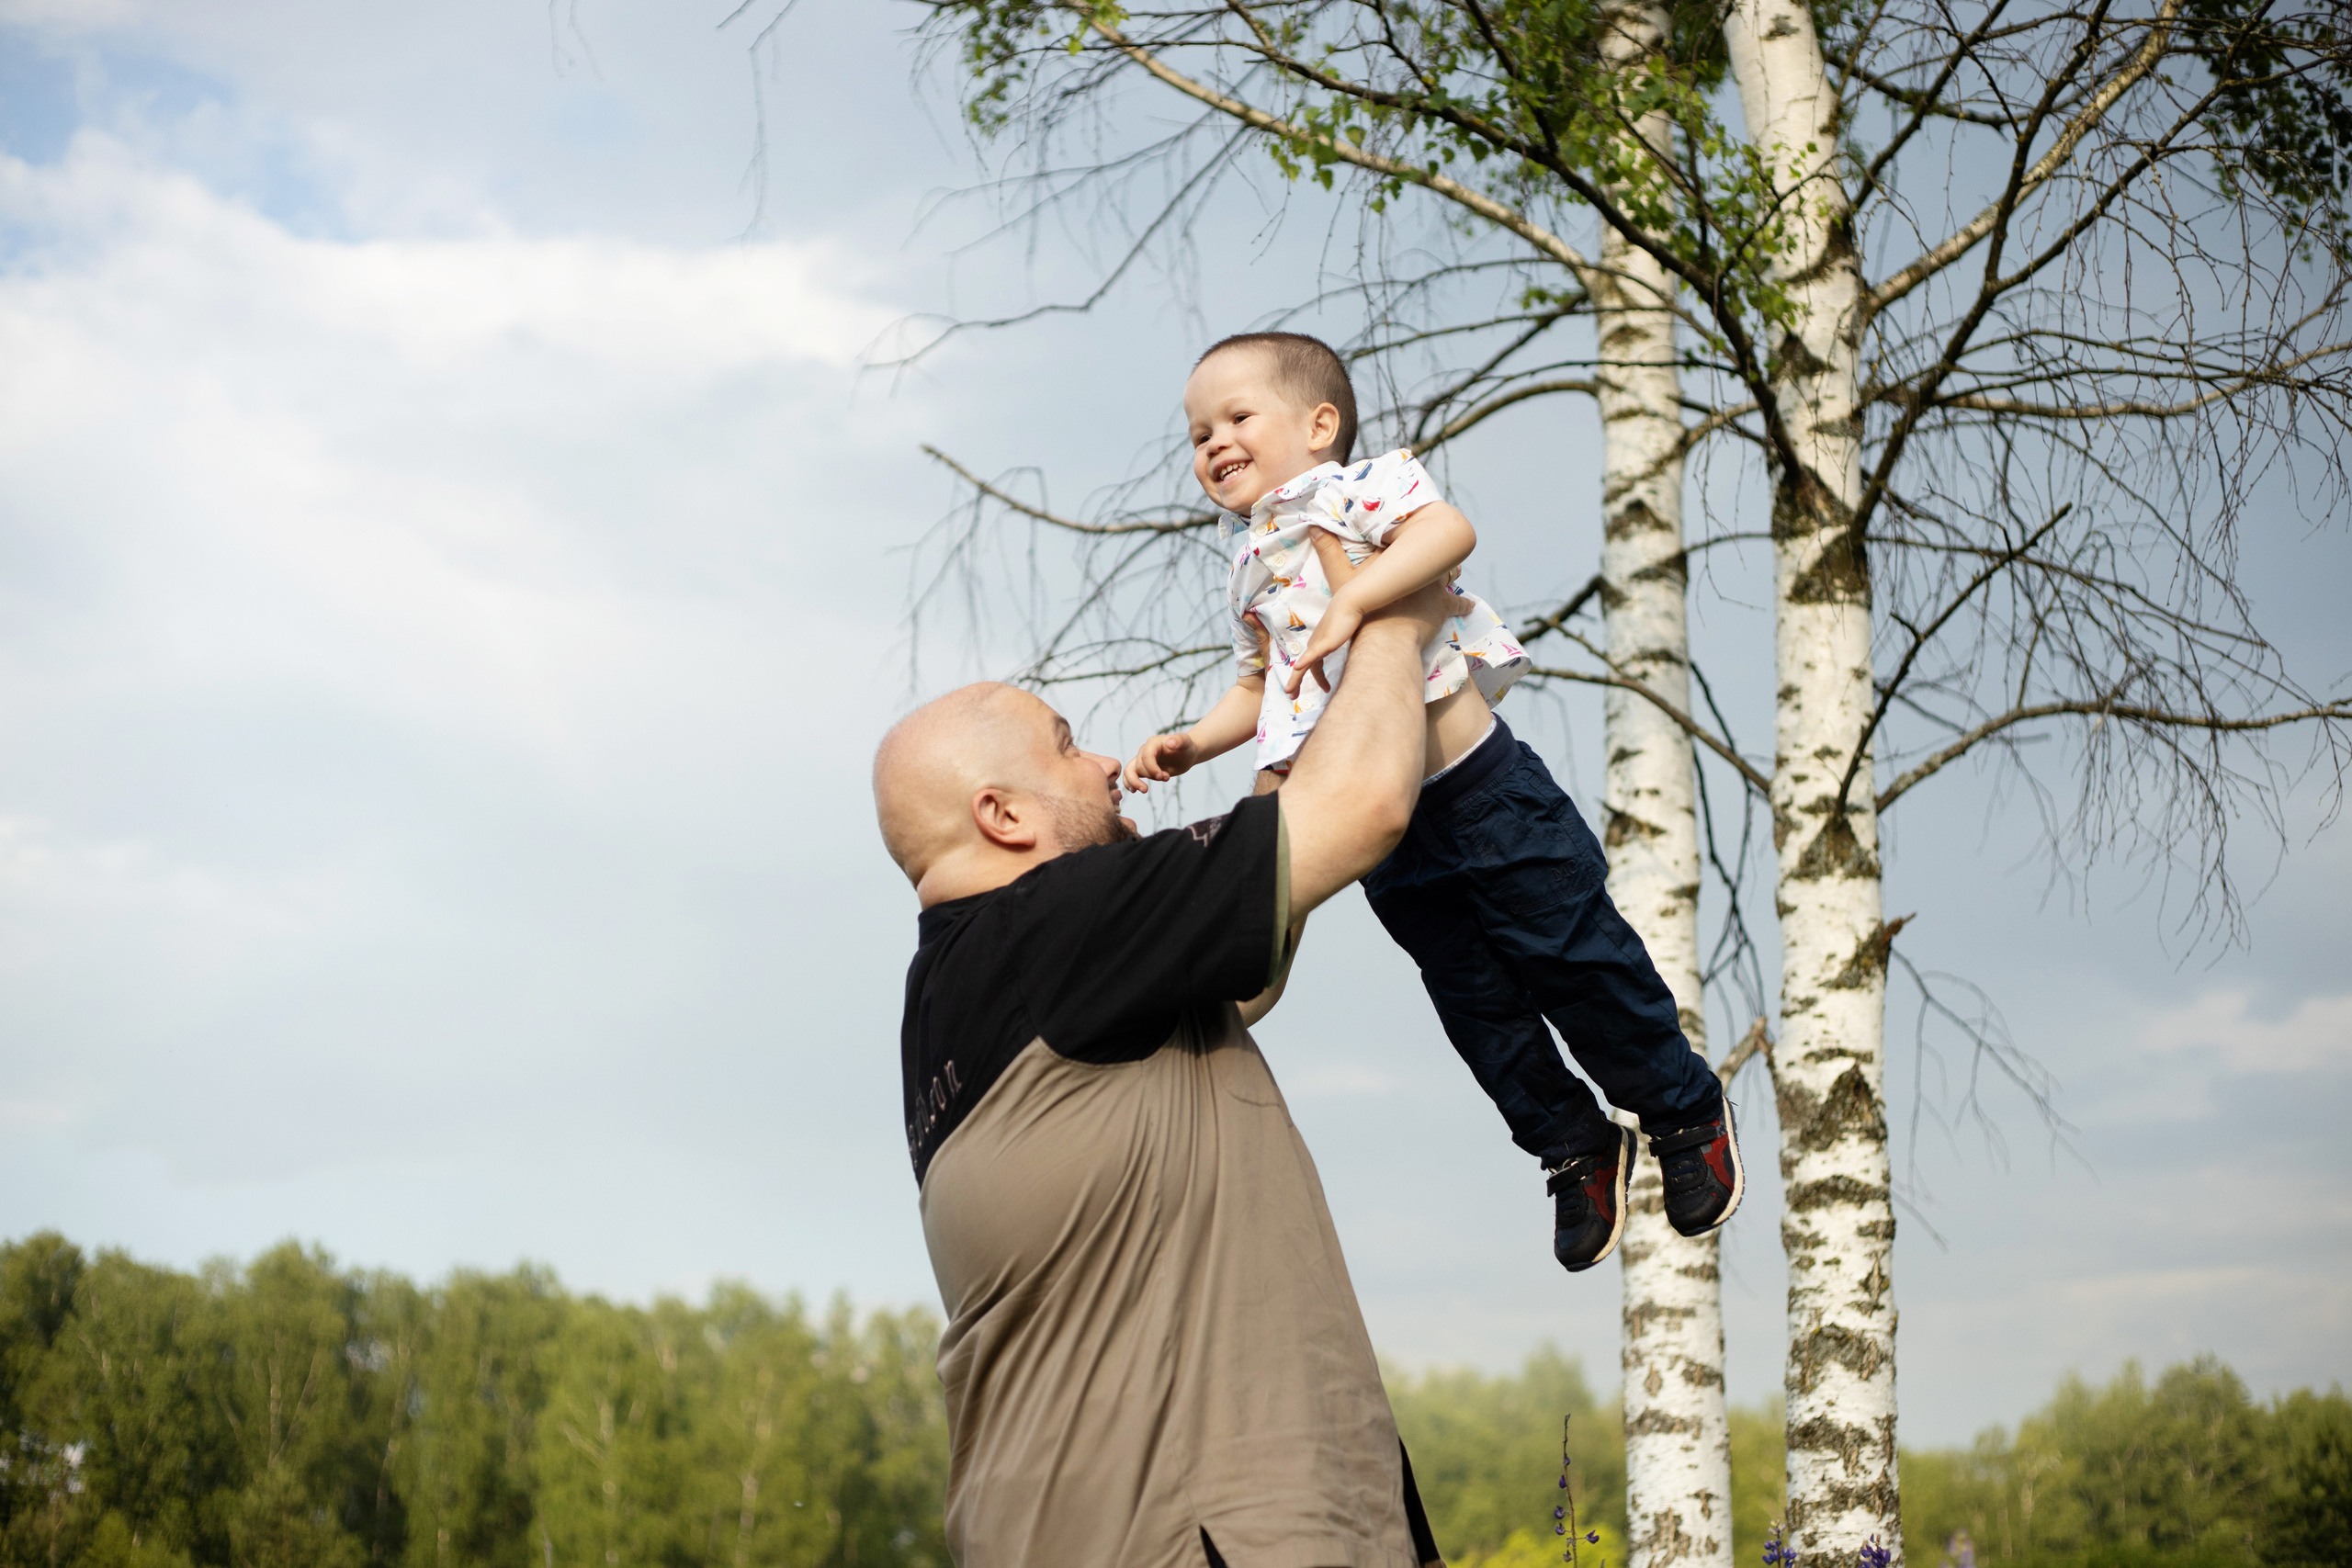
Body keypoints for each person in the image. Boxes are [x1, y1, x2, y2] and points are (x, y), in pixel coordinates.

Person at [1122, 331, 1742, 1272]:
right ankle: (1570, 1143)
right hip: (1392, 839)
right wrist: (1196, 740)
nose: (1213, 444)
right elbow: (1265, 686)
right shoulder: (1247, 563)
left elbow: (1447, 534)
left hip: (1485, 795)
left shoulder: (1355, 488)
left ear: (1318, 424)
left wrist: (1353, 598)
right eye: (1197, 433)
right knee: (1475, 1006)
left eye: (1236, 418)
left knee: (1575, 965)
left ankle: (1679, 1108)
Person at [873, 581, 1463, 1568]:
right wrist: (1398, 611)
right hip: (1205, 1534)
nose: (1106, 763)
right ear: (1003, 814)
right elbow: (1362, 807)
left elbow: (1244, 970)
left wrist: (1284, 717)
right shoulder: (1056, 921)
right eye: (1066, 745)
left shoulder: (956, 990)